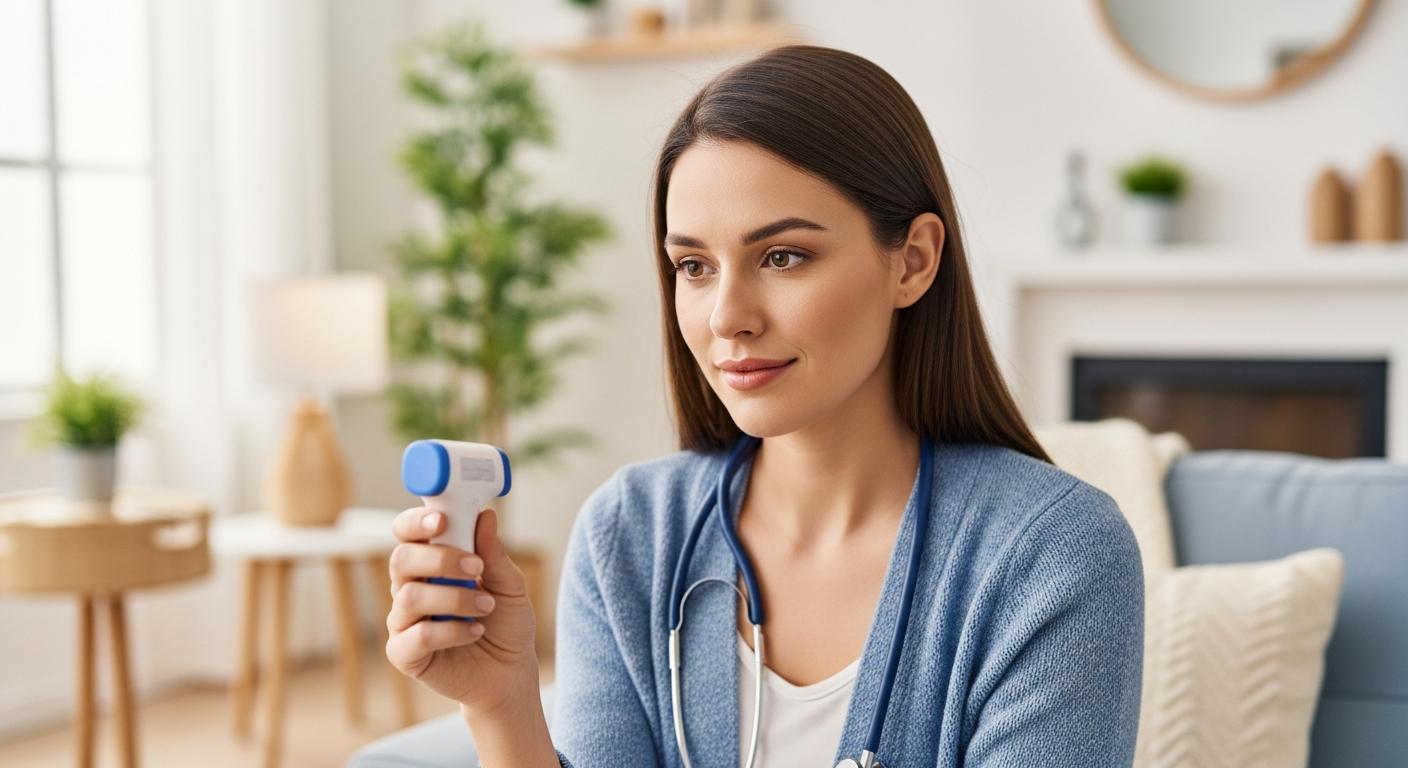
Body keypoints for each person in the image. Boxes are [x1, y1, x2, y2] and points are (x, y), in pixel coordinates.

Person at [384, 44, 1144, 768]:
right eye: (693, 265)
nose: (725, 317)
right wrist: (501, 703)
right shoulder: (631, 535)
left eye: (782, 256)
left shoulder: (1057, 557)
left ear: (913, 261)